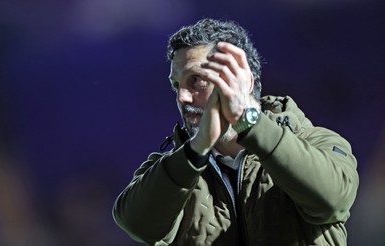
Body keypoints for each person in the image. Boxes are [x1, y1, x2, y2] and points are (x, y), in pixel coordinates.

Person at [112, 18, 359, 245]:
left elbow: (331, 201)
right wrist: (197, 149)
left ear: (245, 82)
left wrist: (248, 121)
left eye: (196, 79)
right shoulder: (172, 170)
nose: (182, 97)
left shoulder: (317, 142)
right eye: (176, 85)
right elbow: (137, 225)